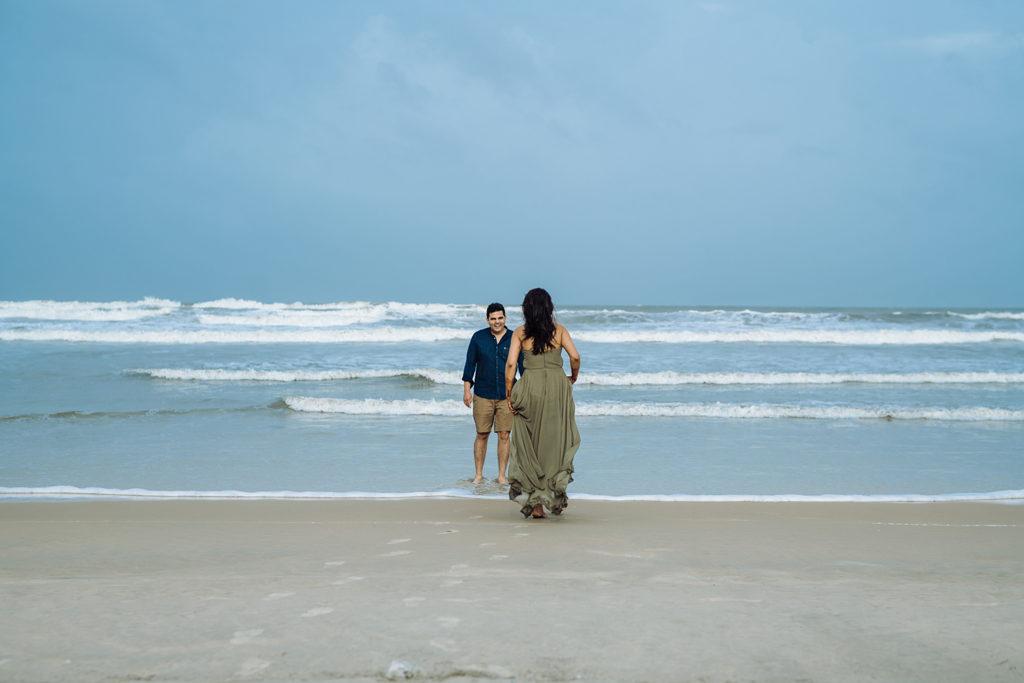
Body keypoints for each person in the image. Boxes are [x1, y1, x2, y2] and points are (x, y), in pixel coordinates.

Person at [504, 288, 581, 518]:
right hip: (557, 387)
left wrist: (509, 393)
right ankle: (555, 495)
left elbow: (511, 365)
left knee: (531, 446)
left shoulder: (520, 333)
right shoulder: (559, 330)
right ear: (549, 308)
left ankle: (537, 505)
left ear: (526, 309)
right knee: (555, 443)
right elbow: (575, 356)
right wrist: (573, 376)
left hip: (531, 387)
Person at [463, 302, 524, 484]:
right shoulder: (478, 338)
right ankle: (478, 475)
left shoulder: (514, 338)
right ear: (487, 320)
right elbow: (469, 366)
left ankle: (501, 477)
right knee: (482, 434)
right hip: (482, 394)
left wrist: (525, 393)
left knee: (504, 434)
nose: (497, 322)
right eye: (493, 319)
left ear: (505, 318)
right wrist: (467, 391)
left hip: (508, 396)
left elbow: (523, 368)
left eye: (500, 318)